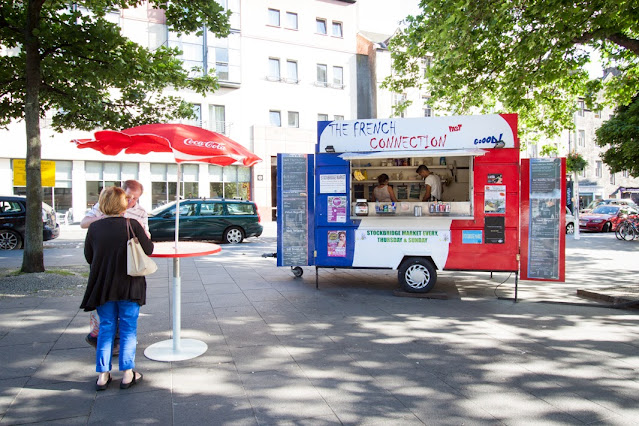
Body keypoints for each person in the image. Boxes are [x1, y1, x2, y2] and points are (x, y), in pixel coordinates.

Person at [81, 186, 153, 390]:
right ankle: (128, 374)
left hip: (103, 286)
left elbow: (89, 256)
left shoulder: (95, 228)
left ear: (103, 204)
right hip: (130, 284)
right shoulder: (132, 224)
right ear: (123, 204)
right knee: (129, 329)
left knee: (106, 328)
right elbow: (149, 249)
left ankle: (103, 375)